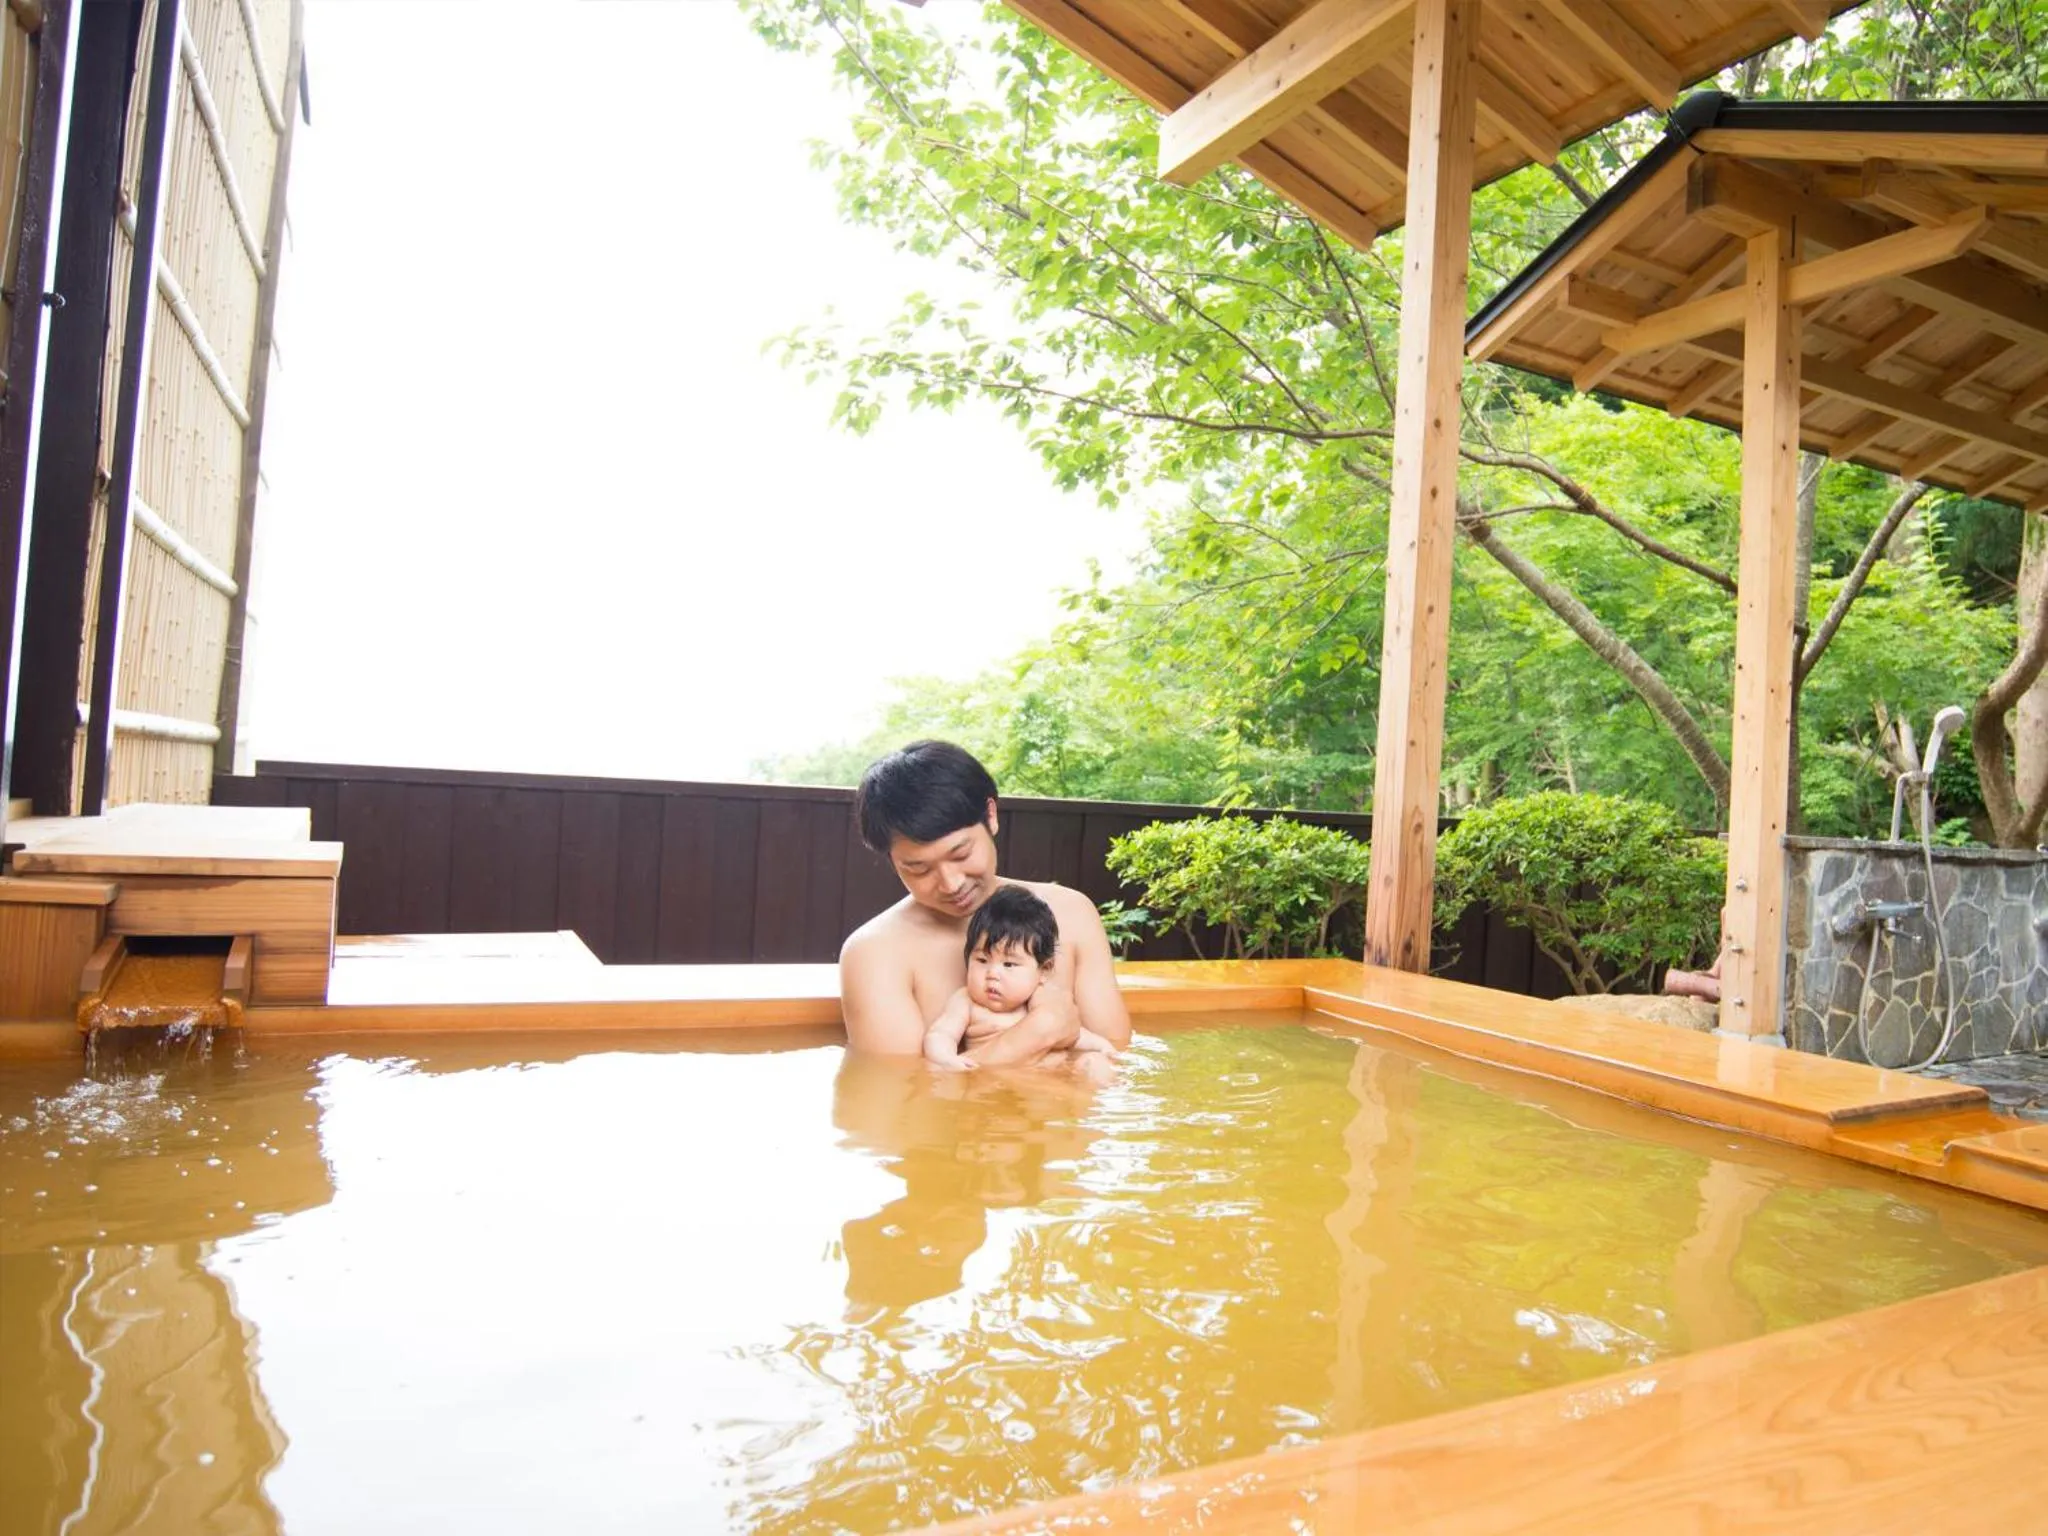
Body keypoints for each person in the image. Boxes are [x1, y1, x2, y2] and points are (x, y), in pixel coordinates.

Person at [839, 740, 1132, 1061]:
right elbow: (898, 1085)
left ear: (991, 815)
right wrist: (1037, 1032)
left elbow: (1116, 1054)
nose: (951, 884)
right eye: (919, 869)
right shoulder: (875, 952)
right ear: (893, 861)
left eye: (961, 853)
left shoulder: (1071, 913)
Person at [922, 885, 1119, 1071]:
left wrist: (1103, 1047)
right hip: (996, 1083)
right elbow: (941, 1034)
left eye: (1009, 965)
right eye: (982, 960)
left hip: (1049, 1081)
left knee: (1095, 1063)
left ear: (1043, 970)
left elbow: (1074, 1035)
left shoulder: (1038, 1001)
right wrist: (947, 1058)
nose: (992, 974)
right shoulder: (966, 1002)